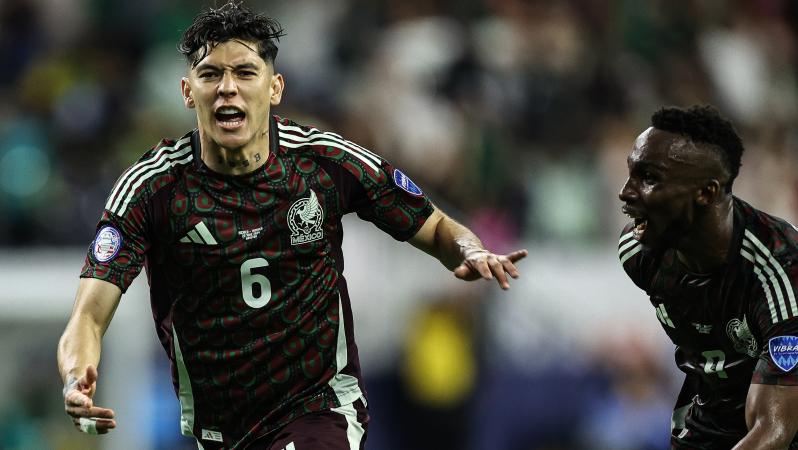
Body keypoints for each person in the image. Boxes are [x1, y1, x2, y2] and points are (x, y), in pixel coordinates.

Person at [56, 2, 527, 449]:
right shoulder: (153, 189)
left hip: (319, 408)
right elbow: (89, 314)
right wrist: (77, 376)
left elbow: (435, 225)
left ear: (274, 88)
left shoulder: (324, 163)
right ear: (187, 91)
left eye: (244, 72)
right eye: (210, 74)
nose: (227, 88)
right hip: (221, 431)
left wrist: (468, 250)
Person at [618, 104, 798, 449]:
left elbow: (773, 430)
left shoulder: (781, 273)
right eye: (631, 173)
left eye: (649, 178)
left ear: (706, 192)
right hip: (709, 421)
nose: (625, 191)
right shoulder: (638, 253)